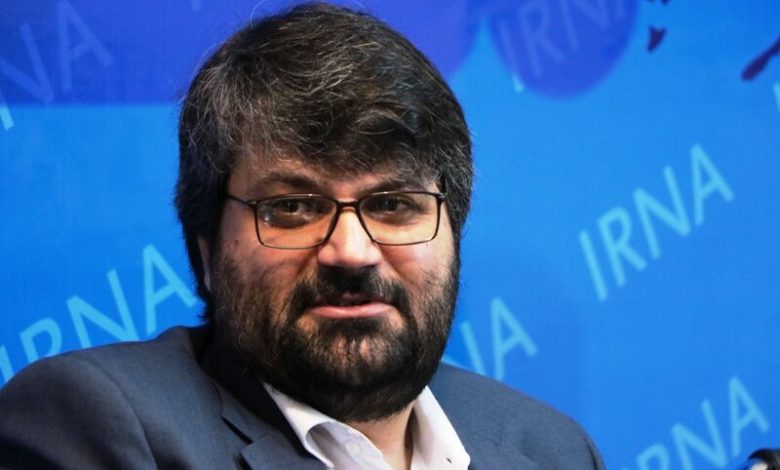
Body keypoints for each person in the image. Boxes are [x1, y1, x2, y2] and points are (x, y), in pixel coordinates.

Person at [0, 3, 605, 469]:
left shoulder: (551, 449)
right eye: (292, 208)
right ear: (206, 249)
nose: (352, 252)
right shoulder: (98, 424)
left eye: (393, 205)